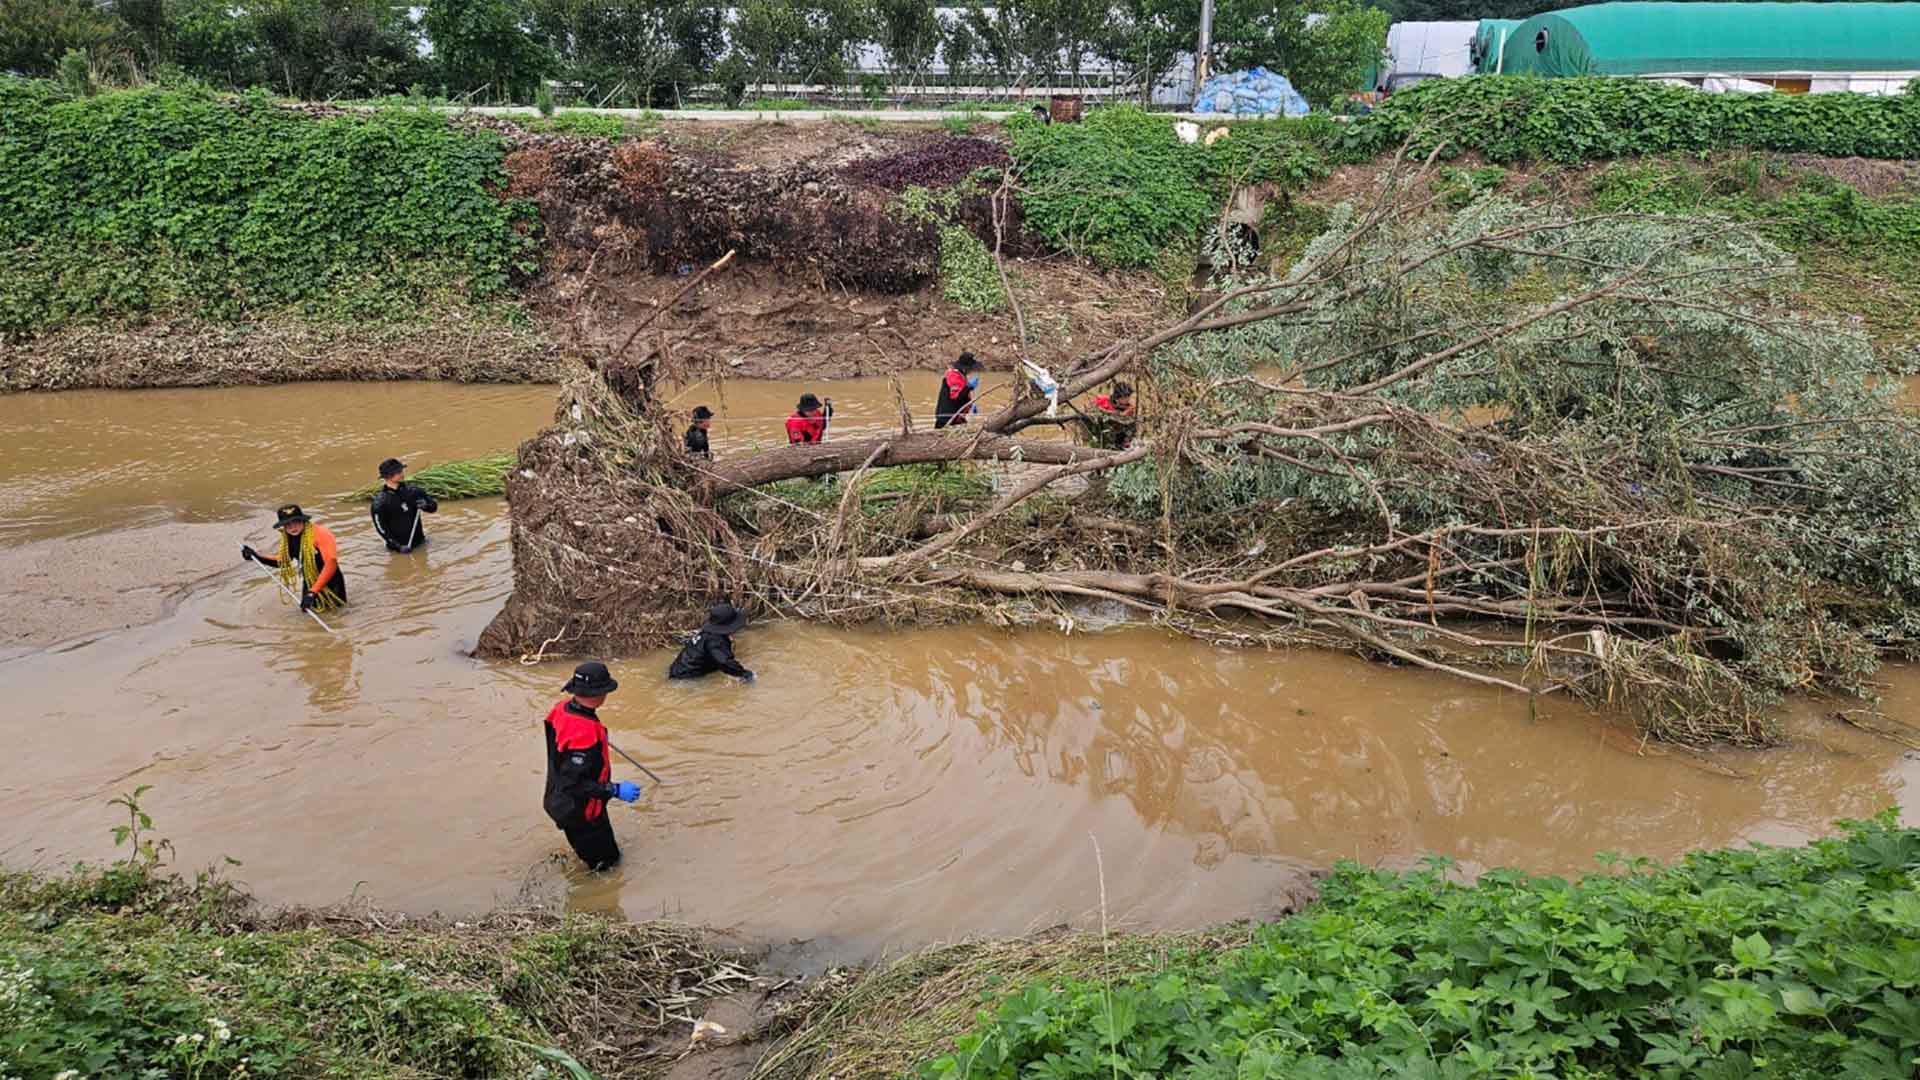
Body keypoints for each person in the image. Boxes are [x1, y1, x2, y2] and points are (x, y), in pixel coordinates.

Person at [542, 661, 644, 871]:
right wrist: (614, 789)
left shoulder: (562, 709)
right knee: (607, 866)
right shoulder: (583, 733)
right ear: (600, 694)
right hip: (580, 810)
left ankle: (578, 862)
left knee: (591, 850)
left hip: (559, 799)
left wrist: (597, 736)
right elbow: (575, 784)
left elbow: (562, 752)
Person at [242, 504, 346, 612]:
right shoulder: (289, 538)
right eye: (288, 524)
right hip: (310, 582)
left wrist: (313, 591)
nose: (292, 527)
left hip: (331, 581)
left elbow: (331, 563)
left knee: (337, 614)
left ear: (303, 520)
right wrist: (256, 557)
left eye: (296, 522)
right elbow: (283, 562)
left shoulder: (321, 534)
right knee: (307, 613)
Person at [668, 603, 754, 682]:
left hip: (678, 669)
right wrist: (745, 674)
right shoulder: (715, 640)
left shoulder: (706, 633)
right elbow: (725, 662)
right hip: (687, 677)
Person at [369, 458, 438, 553]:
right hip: (397, 551)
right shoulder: (380, 502)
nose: (402, 474)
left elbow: (433, 507)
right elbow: (381, 529)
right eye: (398, 472)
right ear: (388, 476)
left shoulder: (413, 491)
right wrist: (398, 546)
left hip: (420, 544)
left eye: (401, 470)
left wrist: (426, 505)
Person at [934, 352, 983, 429]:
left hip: (956, 416)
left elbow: (963, 396)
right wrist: (969, 387)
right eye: (971, 368)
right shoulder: (954, 376)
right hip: (947, 419)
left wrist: (970, 405)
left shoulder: (961, 375)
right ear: (965, 368)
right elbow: (957, 397)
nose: (972, 371)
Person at [1088, 382, 1137, 449]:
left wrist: (1118, 413)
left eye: (1128, 397)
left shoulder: (1129, 407)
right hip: (1100, 428)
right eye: (1125, 397)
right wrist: (1104, 410)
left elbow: (1124, 417)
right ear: (1118, 397)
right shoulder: (1104, 400)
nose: (1127, 399)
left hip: (1117, 432)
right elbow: (1091, 407)